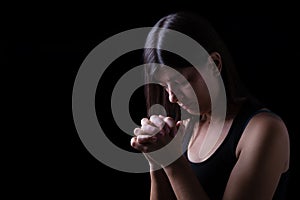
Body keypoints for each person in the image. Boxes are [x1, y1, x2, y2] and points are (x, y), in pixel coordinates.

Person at [130, 11, 290, 200]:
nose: (172, 98)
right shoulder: (185, 127)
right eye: (165, 86)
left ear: (214, 63)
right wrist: (156, 162)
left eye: (182, 82)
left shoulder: (263, 130)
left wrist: (173, 163)